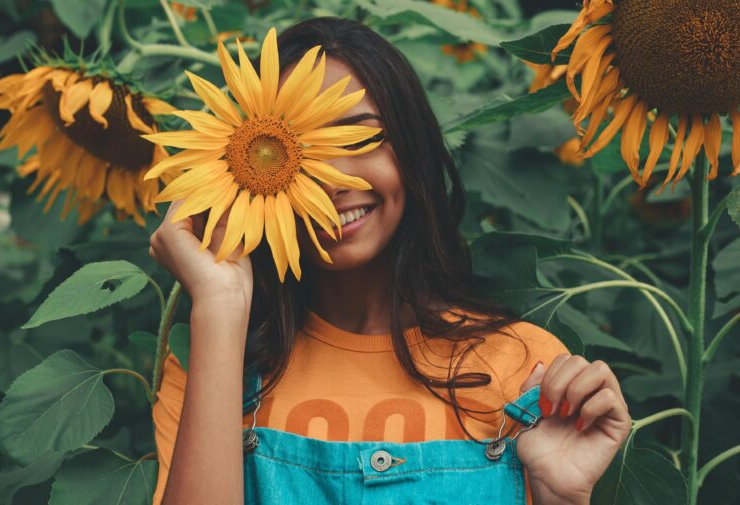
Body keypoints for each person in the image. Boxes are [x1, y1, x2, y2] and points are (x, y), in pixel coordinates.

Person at [149, 17, 631, 505]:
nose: (333, 182)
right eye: (297, 156)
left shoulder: (527, 370)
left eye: (358, 140)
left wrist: (559, 497)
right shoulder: (212, 364)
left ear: (414, 148)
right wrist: (219, 301)